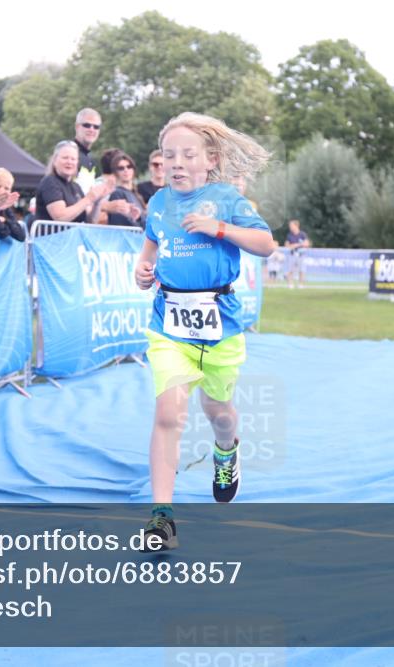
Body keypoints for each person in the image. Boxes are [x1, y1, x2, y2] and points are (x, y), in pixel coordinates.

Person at [133, 112, 276, 551]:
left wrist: (220, 228)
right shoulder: (158, 203)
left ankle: (226, 450)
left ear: (210, 159)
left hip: (220, 327)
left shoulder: (226, 198)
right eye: (168, 155)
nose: (176, 163)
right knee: (168, 415)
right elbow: (150, 247)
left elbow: (266, 245)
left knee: (219, 412)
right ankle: (161, 518)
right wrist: (142, 270)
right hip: (168, 325)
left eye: (188, 154)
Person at [34, 140, 110, 223]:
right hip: (54, 232)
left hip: (76, 231)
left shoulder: (76, 187)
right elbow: (60, 217)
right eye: (65, 158)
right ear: (55, 161)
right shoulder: (50, 182)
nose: (69, 162)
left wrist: (97, 201)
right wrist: (88, 199)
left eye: (73, 159)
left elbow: (91, 221)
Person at [106, 152, 146, 227]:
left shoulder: (136, 194)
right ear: (115, 172)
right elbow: (120, 224)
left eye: (129, 166)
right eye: (121, 168)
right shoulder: (117, 194)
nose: (126, 170)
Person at [73, 108, 103, 194]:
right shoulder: (68, 152)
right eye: (87, 125)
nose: (91, 129)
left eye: (96, 127)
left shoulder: (90, 158)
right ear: (77, 127)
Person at [284, 219, 310, 288]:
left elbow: (307, 244)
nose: (290, 227)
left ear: (296, 226)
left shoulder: (302, 234)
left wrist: (296, 245)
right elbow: (287, 245)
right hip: (292, 254)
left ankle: (301, 285)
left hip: (301, 255)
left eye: (291, 225)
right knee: (290, 269)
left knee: (302, 270)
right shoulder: (289, 235)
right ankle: (290, 284)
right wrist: (300, 244)